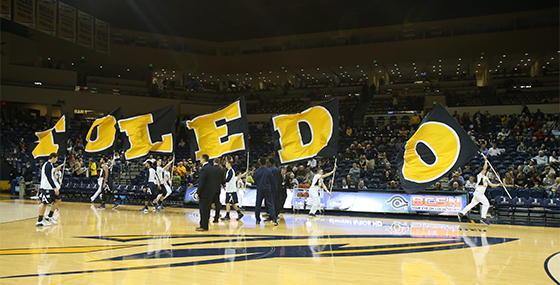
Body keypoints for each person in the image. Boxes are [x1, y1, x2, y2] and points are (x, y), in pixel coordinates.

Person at [457, 156, 502, 225]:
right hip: (479, 193)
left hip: (479, 193)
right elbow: (485, 168)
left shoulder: (486, 178)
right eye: (483, 171)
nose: (484, 171)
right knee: (486, 204)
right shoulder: (480, 175)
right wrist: (486, 161)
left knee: (472, 204)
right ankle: (483, 218)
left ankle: (461, 213)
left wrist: (498, 184)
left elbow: (491, 185)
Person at [194, 154, 223, 231]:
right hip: (211, 192)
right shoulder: (212, 168)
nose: (200, 160)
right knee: (207, 210)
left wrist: (198, 192)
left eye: (200, 158)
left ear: (203, 160)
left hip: (205, 193)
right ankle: (203, 225)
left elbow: (201, 182)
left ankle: (204, 226)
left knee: (203, 210)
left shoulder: (204, 169)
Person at [36, 153, 63, 226]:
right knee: (44, 203)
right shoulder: (48, 165)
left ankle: (49, 216)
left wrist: (56, 169)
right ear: (53, 157)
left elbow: (50, 172)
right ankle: (39, 220)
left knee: (58, 200)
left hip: (49, 187)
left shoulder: (49, 165)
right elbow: (49, 177)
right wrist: (55, 188)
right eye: (56, 158)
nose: (56, 160)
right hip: (46, 187)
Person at [253, 158, 278, 225]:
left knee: (258, 205)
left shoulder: (257, 171)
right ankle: (274, 219)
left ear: (260, 163)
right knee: (270, 204)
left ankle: (257, 220)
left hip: (260, 189)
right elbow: (272, 180)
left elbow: (254, 181)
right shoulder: (269, 171)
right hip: (267, 189)